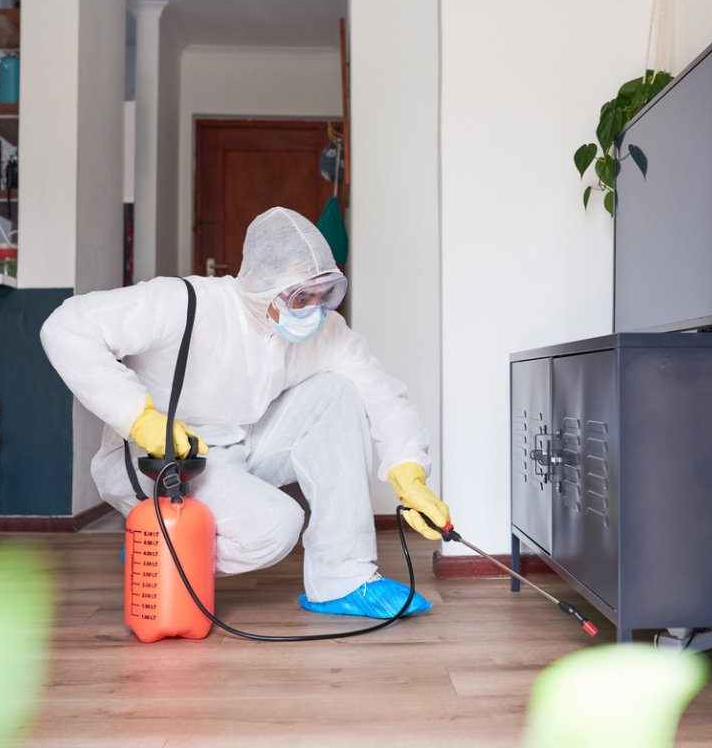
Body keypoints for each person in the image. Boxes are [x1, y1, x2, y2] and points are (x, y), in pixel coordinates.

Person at [40, 206, 449, 617]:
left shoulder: (324, 334)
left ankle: (343, 578)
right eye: (301, 296)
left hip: (241, 446)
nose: (313, 310)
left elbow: (382, 394)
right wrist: (139, 416)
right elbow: (66, 327)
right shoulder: (184, 303)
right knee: (277, 527)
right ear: (259, 284)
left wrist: (408, 470)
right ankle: (158, 549)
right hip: (159, 458)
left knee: (337, 391)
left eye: (322, 296)